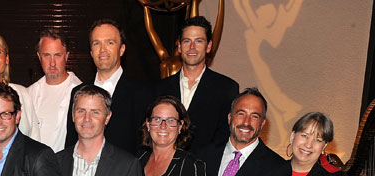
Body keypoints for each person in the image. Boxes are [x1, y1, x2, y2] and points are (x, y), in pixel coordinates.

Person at [65, 19, 151, 155]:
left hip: (124, 174)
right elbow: (71, 142)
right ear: (91, 52)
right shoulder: (78, 91)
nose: (103, 49)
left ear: (122, 49)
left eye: (110, 43)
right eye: (96, 43)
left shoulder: (142, 93)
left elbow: (145, 146)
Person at [156, 16, 239, 153]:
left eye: (199, 41)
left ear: (209, 46)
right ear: (179, 46)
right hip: (164, 169)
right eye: (187, 41)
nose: (192, 47)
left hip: (206, 170)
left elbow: (225, 139)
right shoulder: (159, 89)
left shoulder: (227, 88)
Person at [28, 28, 81, 152]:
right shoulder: (29, 94)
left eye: (57, 55)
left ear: (67, 56)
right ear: (39, 56)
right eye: (47, 55)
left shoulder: (80, 93)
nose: (52, 63)